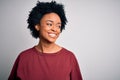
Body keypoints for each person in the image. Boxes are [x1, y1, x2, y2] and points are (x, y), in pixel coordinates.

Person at [8, 1, 83, 80]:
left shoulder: (69, 58)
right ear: (37, 26)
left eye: (58, 26)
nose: (54, 29)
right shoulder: (23, 57)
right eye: (49, 24)